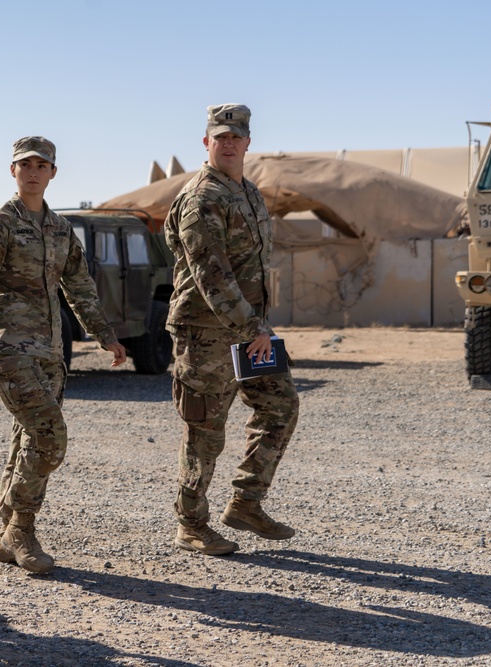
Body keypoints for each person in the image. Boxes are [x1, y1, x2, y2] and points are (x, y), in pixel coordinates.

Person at [0, 136, 127, 574]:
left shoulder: (60, 228)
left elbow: (80, 286)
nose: (33, 171)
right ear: (12, 171)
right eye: (24, 164)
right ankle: (22, 529)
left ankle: (8, 533)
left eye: (41, 165)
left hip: (49, 349)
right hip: (7, 347)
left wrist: (105, 335)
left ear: (53, 173)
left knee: (27, 438)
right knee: (50, 436)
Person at [164, 104, 299, 557]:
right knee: (205, 430)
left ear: (247, 143)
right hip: (206, 331)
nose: (227, 143)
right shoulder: (202, 197)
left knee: (280, 405)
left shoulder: (249, 193)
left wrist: (256, 326)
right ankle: (191, 523)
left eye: (235, 137)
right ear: (206, 143)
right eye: (218, 137)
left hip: (250, 330)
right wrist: (251, 325)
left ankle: (245, 502)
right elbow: (211, 275)